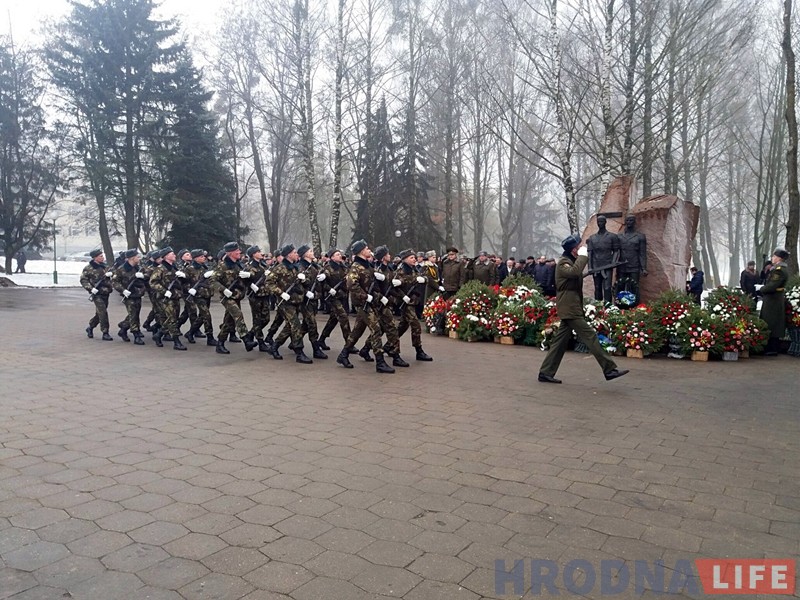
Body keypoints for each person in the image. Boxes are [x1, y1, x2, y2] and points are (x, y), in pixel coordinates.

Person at [537, 234, 628, 384]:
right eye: (578, 247)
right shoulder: (563, 263)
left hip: (571, 307)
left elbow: (574, 277)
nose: (580, 249)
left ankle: (545, 372)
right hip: (569, 308)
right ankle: (609, 369)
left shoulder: (570, 262)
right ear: (573, 250)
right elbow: (573, 273)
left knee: (559, 343)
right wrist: (583, 257)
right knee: (590, 336)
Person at [336, 240, 395, 373]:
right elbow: (351, 284)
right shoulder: (356, 266)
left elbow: (370, 283)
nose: (369, 250)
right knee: (376, 329)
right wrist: (365, 296)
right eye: (367, 248)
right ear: (361, 251)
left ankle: (343, 354)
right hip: (363, 304)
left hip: (370, 302)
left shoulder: (367, 265)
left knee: (357, 331)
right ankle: (380, 362)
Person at [265, 244, 313, 363]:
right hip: (285, 302)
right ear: (289, 254)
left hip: (297, 301)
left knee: (289, 327)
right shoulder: (279, 268)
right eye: (295, 252)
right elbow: (269, 283)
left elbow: (306, 283)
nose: (297, 254)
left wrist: (304, 279)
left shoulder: (296, 267)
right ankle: (299, 352)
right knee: (296, 325)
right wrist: (280, 293)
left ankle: (274, 347)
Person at [212, 242, 258, 354]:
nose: (239, 252)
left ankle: (220, 343)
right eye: (237, 251)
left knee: (229, 321)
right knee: (238, 315)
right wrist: (224, 289)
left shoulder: (239, 264)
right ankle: (246, 339)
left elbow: (247, 275)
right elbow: (212, 280)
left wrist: (250, 279)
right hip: (227, 297)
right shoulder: (222, 266)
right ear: (230, 253)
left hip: (237, 296)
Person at [394, 249, 433, 361]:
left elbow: (425, 278)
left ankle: (389, 345)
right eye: (411, 258)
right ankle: (419, 350)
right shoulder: (401, 270)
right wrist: (403, 296)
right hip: (405, 302)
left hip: (413, 300)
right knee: (416, 325)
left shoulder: (414, 269)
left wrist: (423, 279)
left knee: (403, 326)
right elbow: (395, 285)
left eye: (414, 257)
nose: (414, 259)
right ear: (405, 259)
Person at [148, 247, 188, 351]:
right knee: (172, 319)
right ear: (166, 256)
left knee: (172, 318)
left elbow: (179, 283)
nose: (174, 255)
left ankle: (159, 334)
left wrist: (183, 277)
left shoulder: (174, 267)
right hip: (165, 298)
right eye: (172, 254)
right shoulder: (160, 268)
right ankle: (176, 341)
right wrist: (164, 291)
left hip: (175, 296)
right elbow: (153, 282)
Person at [318, 249, 351, 351]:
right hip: (333, 298)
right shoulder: (327, 268)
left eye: (340, 254)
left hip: (342, 296)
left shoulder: (343, 267)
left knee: (333, 320)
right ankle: (349, 343)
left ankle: (321, 339)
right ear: (332, 257)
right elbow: (322, 282)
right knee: (343, 317)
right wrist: (329, 289)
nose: (340, 256)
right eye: (337, 254)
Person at [759, 248, 790, 356]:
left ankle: (772, 348)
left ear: (779, 258)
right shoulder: (777, 268)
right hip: (773, 298)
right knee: (770, 321)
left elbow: (773, 285)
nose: (772, 258)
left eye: (774, 256)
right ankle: (769, 347)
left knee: (772, 322)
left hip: (774, 299)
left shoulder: (779, 270)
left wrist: (761, 289)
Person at [112, 248, 146, 345]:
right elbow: (115, 282)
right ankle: (136, 335)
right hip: (128, 295)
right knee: (133, 314)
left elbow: (147, 276)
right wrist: (123, 290)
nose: (139, 259)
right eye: (137, 257)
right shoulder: (121, 269)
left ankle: (123, 328)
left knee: (135, 313)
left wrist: (143, 276)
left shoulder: (138, 268)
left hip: (138, 294)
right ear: (131, 258)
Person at [80, 249, 114, 340]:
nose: (102, 258)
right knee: (103, 312)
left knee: (99, 314)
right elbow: (83, 280)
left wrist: (111, 274)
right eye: (100, 256)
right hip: (97, 293)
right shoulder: (89, 268)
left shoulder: (105, 267)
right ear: (95, 257)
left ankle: (90, 327)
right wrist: (91, 289)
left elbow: (114, 276)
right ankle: (105, 332)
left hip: (106, 292)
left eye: (102, 256)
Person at [587, 215, 620, 303]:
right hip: (596, 266)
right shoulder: (592, 238)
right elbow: (590, 253)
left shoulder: (612, 237)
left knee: (607, 287)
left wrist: (613, 262)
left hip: (607, 265)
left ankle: (608, 307)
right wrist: (590, 267)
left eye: (601, 221)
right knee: (597, 287)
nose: (600, 223)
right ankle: (598, 307)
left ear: (605, 222)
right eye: (598, 222)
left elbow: (616, 251)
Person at [617, 214, 647, 304]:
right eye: (627, 220)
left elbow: (642, 253)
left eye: (631, 220)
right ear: (625, 222)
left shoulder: (640, 237)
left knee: (634, 286)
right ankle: (622, 306)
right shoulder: (619, 237)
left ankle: (635, 306)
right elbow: (616, 252)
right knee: (621, 286)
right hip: (622, 265)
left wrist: (644, 268)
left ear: (634, 222)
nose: (629, 222)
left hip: (634, 265)